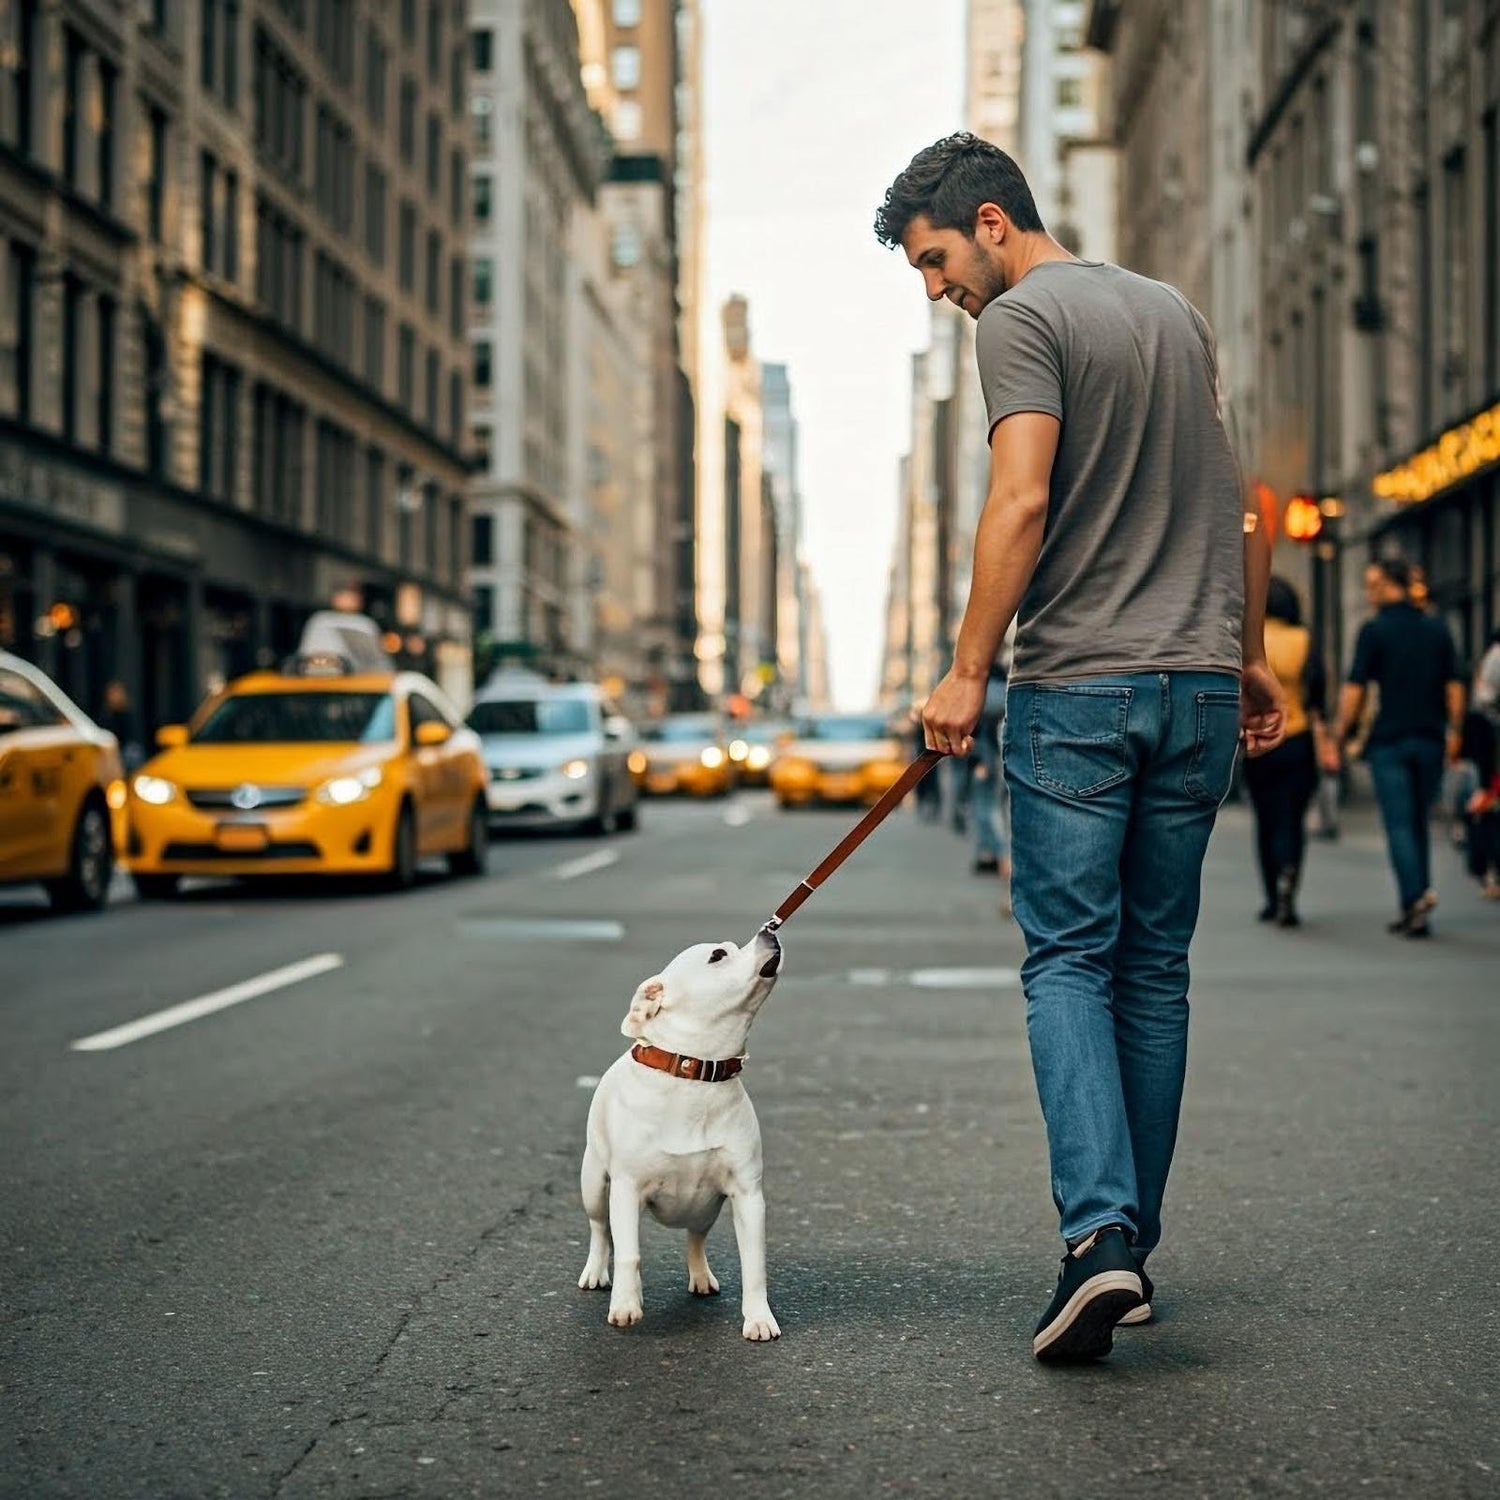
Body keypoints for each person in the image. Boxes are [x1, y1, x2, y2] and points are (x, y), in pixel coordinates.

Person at [875, 132, 1284, 1363]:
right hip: (1199, 689)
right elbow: (1240, 497)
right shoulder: (1173, 312)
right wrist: (1249, 651)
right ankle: (1123, 1255)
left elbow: (1020, 498)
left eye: (938, 259)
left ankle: (1100, 1241)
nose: (939, 288)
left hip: (1081, 693)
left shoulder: (1023, 323)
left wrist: (960, 671)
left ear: (993, 221)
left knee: (1067, 962)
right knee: (1153, 970)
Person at [1322, 556, 1465, 936]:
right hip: (1430, 738)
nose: (1369, 593)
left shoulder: (1374, 631)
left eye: (1373, 585)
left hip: (1389, 741)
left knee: (1399, 824)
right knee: (1418, 820)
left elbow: (1356, 690)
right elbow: (1454, 687)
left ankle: (1414, 898)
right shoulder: (1436, 628)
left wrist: (1339, 733)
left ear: (1391, 585)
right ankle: (1417, 899)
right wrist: (1455, 731)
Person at [1243, 577, 1327, 927]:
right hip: (1298, 737)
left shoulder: (1252, 643)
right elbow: (1317, 691)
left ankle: (1270, 895)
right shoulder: (1305, 640)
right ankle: (1289, 879)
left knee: (1265, 818)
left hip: (1259, 739)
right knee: (1291, 818)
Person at [968, 659, 1010, 878]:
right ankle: (992, 856)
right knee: (993, 810)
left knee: (988, 810)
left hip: (991, 759)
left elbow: (984, 728)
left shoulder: (990, 694)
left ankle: (1001, 857)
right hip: (998, 757)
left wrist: (983, 762)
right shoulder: (1005, 689)